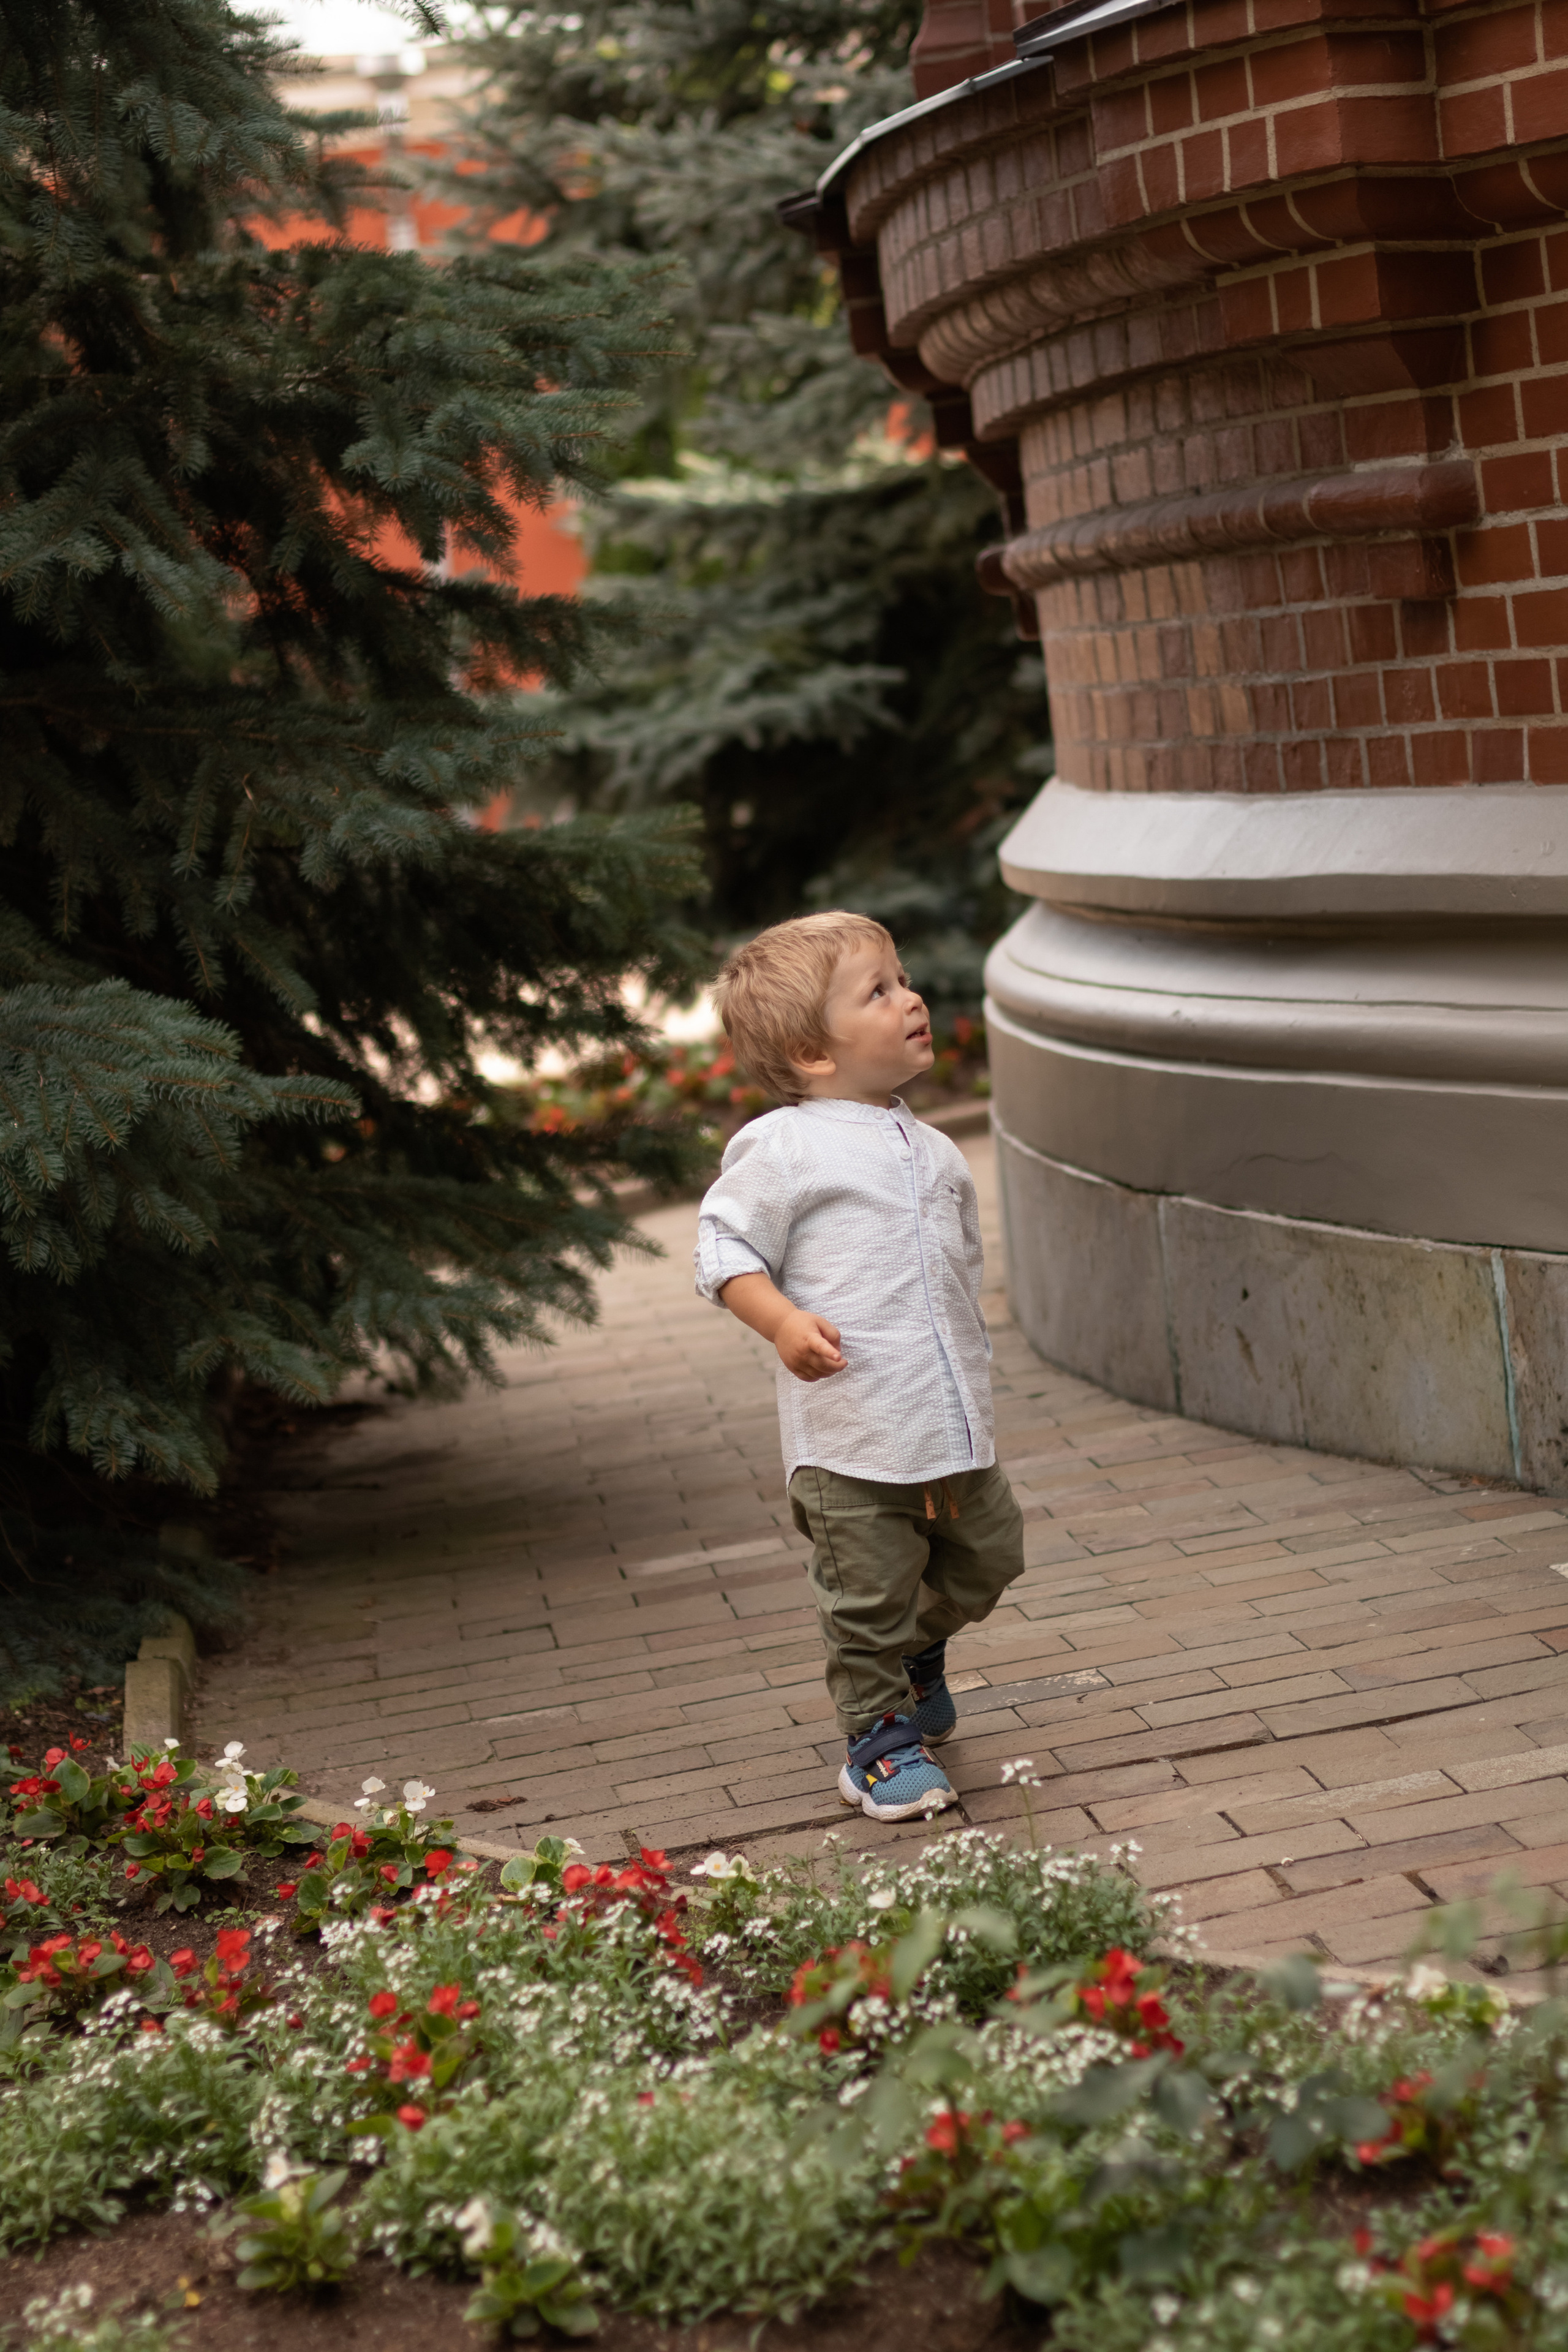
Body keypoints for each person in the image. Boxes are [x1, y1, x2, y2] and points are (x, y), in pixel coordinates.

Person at [693, 910, 1024, 1822]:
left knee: (993, 1555)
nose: (910, 999)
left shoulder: (936, 1148)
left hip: (949, 1425)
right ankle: (877, 1742)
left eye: (903, 979)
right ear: (812, 1052)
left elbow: (956, 1274)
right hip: (852, 1440)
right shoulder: (784, 1145)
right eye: (878, 991)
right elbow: (723, 1250)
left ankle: (910, 1659)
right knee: (865, 1597)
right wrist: (781, 1321)